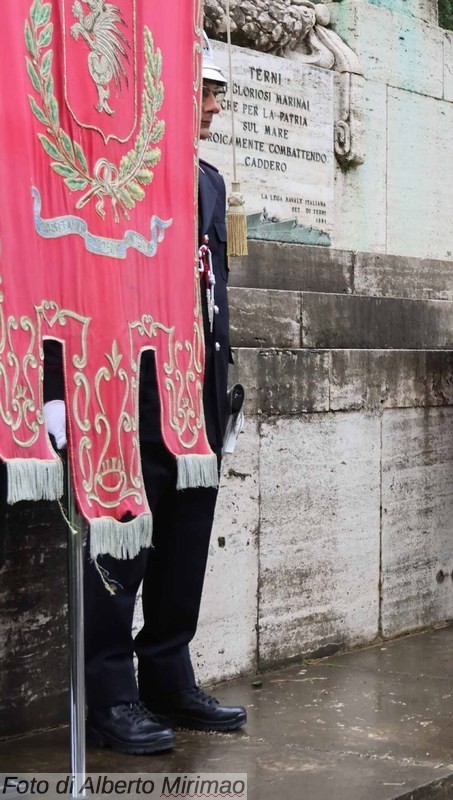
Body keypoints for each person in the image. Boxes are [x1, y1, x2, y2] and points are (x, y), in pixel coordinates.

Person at [43, 34, 246, 754]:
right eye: (208, 92)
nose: (218, 105)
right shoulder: (113, 175)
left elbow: (211, 290)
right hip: (125, 386)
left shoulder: (209, 182)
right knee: (120, 542)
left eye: (218, 93)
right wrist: (52, 390)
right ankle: (109, 694)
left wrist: (221, 392)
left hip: (193, 388)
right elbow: (65, 278)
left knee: (185, 539)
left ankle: (167, 671)